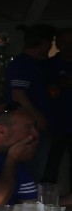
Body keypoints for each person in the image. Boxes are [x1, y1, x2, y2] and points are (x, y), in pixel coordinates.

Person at [5, 24, 56, 178]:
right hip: (30, 125)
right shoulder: (25, 64)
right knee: (31, 167)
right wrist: (37, 117)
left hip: (30, 124)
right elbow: (18, 94)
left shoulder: (30, 63)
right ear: (45, 43)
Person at [44, 27, 72, 187]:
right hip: (55, 123)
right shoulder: (48, 66)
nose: (69, 46)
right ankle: (46, 198)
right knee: (50, 165)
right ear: (58, 44)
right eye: (65, 42)